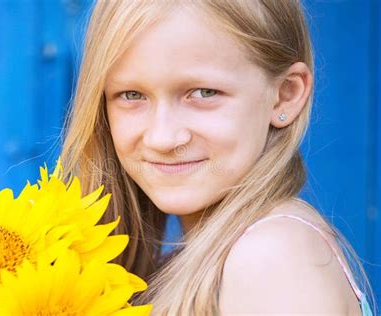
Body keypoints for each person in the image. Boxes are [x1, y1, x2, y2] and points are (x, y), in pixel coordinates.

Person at [57, 0, 376, 314]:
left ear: (285, 95)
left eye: (203, 92)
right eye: (132, 95)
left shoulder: (272, 258)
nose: (162, 138)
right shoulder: (204, 260)